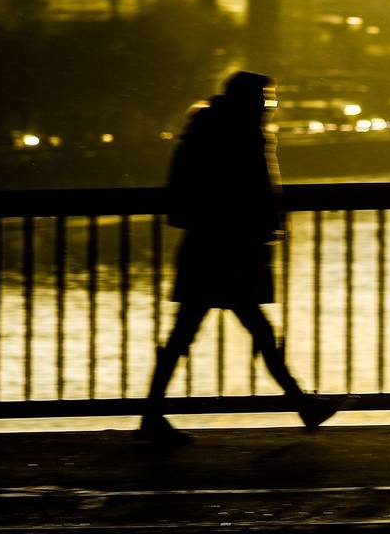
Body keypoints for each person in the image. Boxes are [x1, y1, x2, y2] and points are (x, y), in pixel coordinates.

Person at [138, 71, 339, 444]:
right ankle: (302, 404)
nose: (269, 106)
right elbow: (254, 192)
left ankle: (152, 414)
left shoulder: (206, 130)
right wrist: (266, 225)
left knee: (188, 333)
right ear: (250, 101)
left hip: (206, 249)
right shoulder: (244, 135)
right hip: (231, 250)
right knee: (255, 332)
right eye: (265, 98)